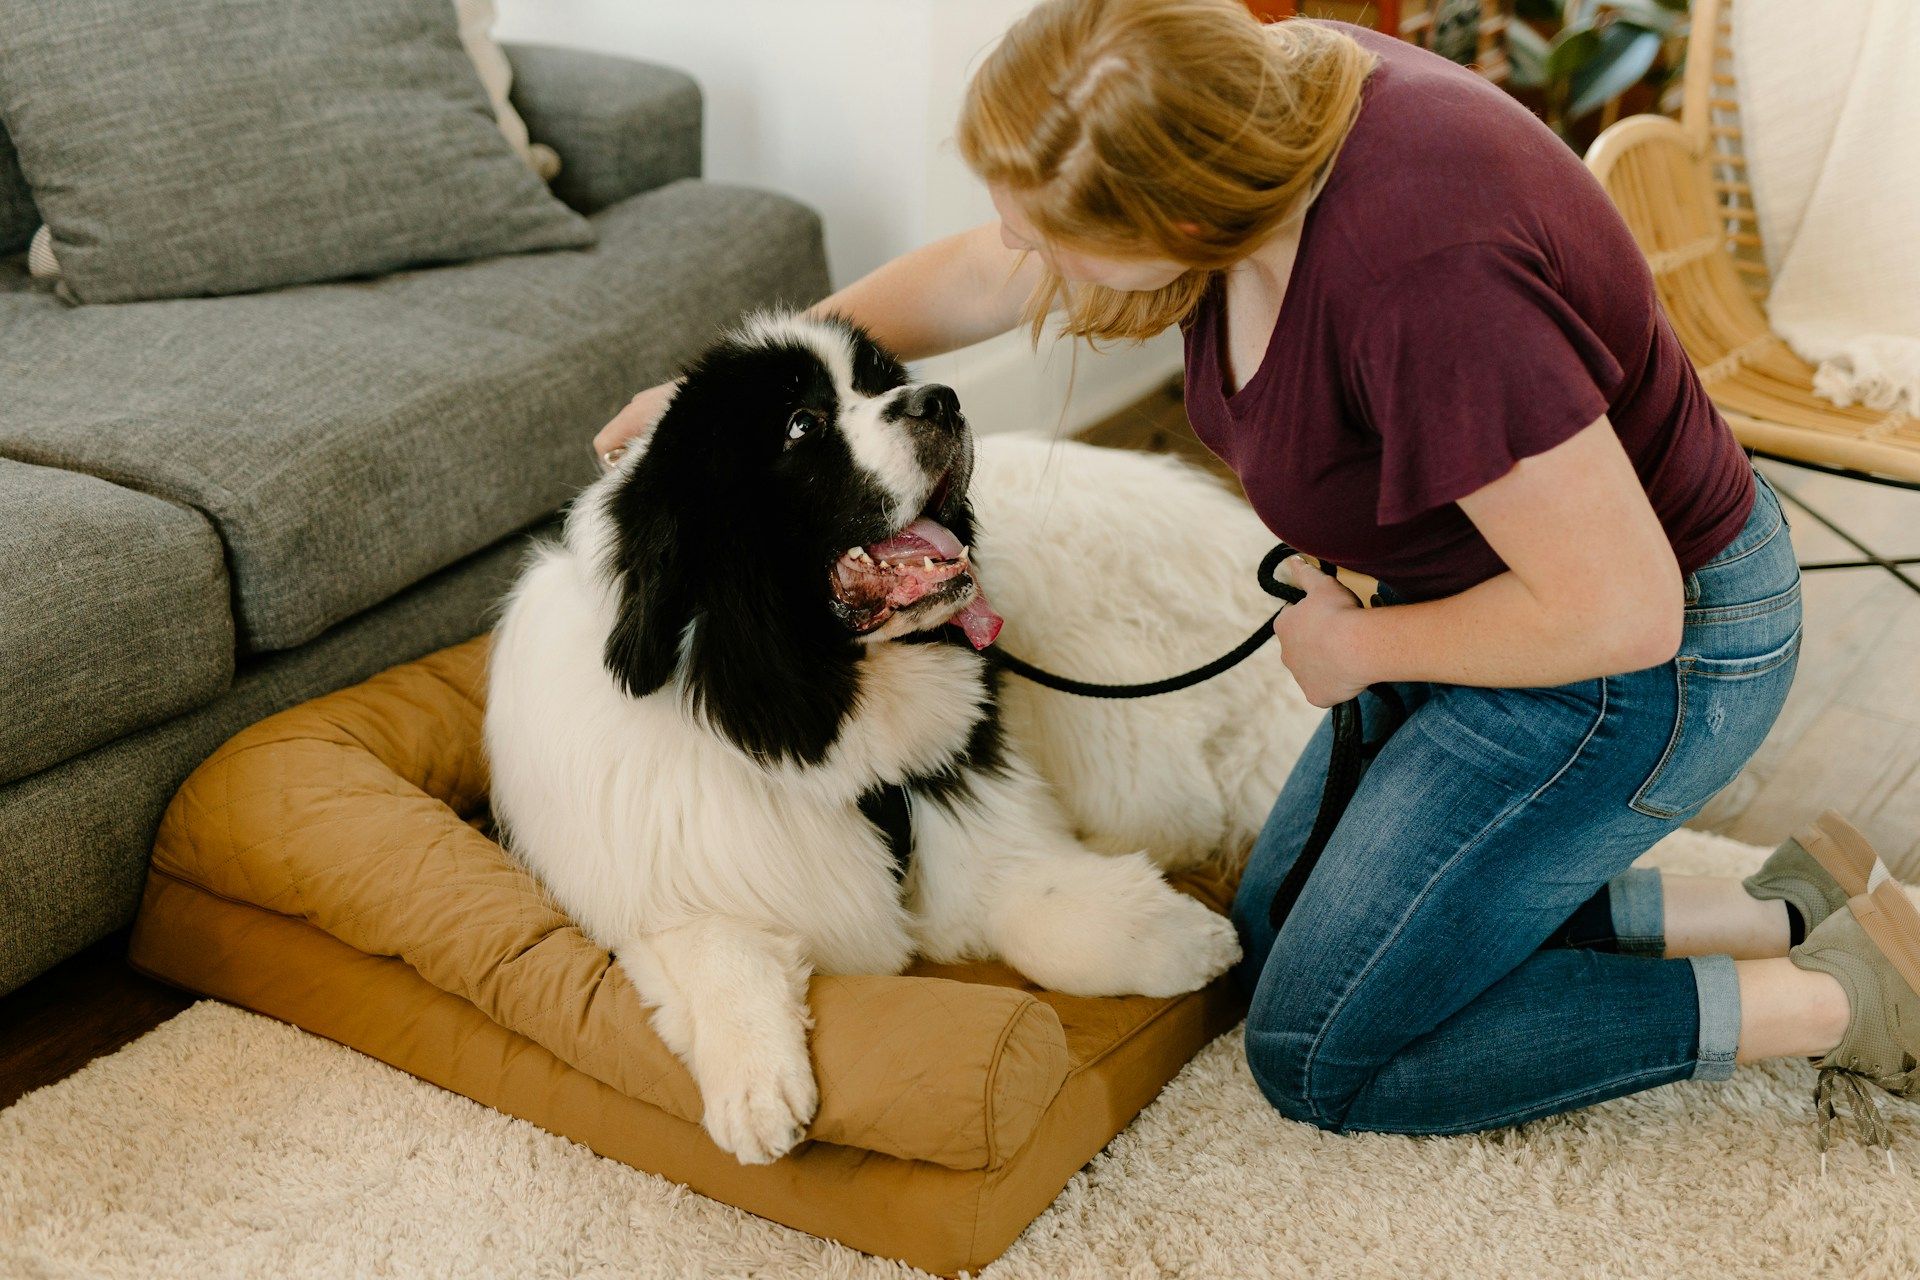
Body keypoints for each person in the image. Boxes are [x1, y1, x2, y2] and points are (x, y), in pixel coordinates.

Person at [593, 0, 1920, 1154]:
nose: (1028, 255)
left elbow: (1621, 608)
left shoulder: (1428, 279)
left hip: (1639, 662)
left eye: (1056, 237)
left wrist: (1369, 655)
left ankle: (1843, 995)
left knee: (1324, 1050)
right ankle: (1764, 907)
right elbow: (992, 265)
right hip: (1478, 594)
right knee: (1276, 925)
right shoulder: (1248, 99)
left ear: (1175, 219)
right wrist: (727, 396)